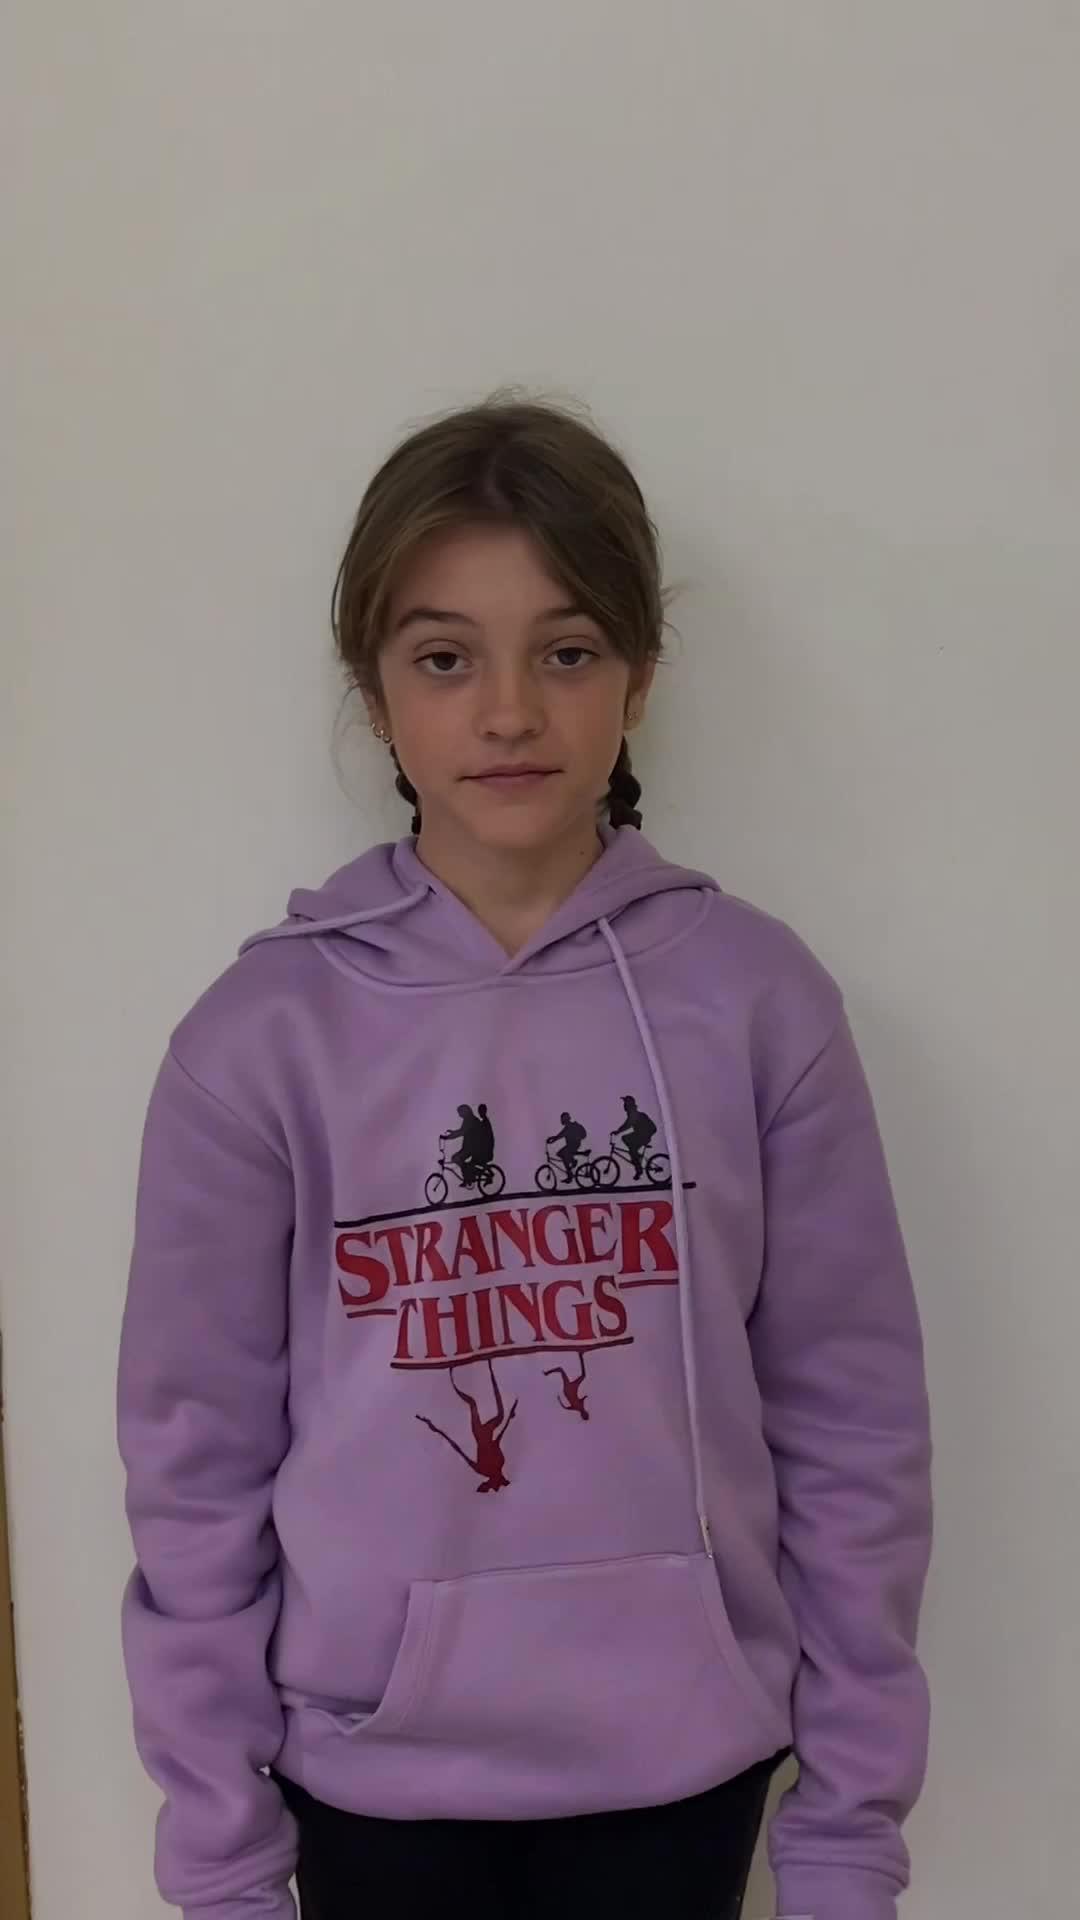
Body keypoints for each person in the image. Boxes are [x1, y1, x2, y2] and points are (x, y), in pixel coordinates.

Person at [119, 397, 933, 1920]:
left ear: (641, 676)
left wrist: (846, 1829)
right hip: (369, 1779)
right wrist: (223, 1855)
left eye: (566, 652)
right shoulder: (260, 1041)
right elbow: (193, 1462)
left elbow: (855, 1426)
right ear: (374, 694)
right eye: (445, 658)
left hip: (683, 1771)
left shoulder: (758, 1002)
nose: (508, 713)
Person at [613, 1094, 657, 1180]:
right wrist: (618, 1131)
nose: (624, 1106)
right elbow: (627, 1124)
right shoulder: (632, 1113)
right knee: (628, 1144)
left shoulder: (634, 1114)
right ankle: (636, 1157)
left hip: (644, 1135)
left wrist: (618, 1131)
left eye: (625, 1103)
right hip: (640, 1134)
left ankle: (638, 1168)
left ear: (629, 1104)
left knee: (631, 1149)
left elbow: (628, 1125)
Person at [546, 1109, 588, 1182]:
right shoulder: (570, 1126)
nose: (562, 1121)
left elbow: (560, 1135)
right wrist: (552, 1139)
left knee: (562, 1154)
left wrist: (552, 1140)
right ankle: (573, 1162)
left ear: (565, 1119)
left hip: (573, 1145)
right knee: (562, 1154)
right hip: (574, 1144)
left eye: (562, 1119)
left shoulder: (569, 1127)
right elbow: (560, 1135)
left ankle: (570, 1174)